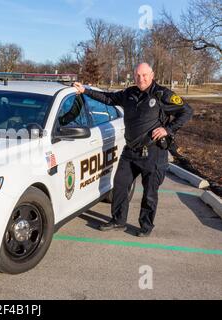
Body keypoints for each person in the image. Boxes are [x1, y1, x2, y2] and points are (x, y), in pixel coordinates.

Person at [74, 63, 193, 237]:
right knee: (120, 185)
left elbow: (187, 111)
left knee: (149, 193)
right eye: (137, 75)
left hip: (153, 153)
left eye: (144, 75)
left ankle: (145, 226)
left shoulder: (163, 95)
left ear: (152, 75)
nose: (141, 78)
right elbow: (108, 98)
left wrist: (168, 129)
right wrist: (85, 90)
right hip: (130, 151)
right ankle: (118, 221)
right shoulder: (129, 93)